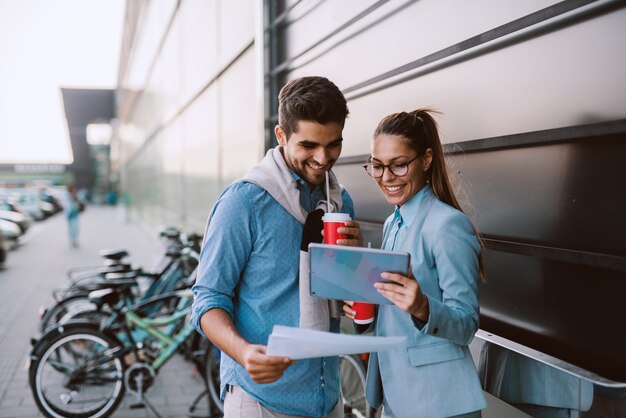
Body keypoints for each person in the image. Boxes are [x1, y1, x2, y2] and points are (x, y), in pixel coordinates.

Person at [191, 76, 362, 418]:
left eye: (333, 145)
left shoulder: (339, 202)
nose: (323, 158)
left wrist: (355, 265)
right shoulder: (244, 203)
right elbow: (207, 299)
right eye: (309, 145)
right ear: (281, 136)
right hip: (261, 402)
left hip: (328, 399)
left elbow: (348, 300)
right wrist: (243, 353)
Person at [344, 108, 487, 418]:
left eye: (398, 165)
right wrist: (360, 299)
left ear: (425, 159)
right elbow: (393, 307)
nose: (385, 177)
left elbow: (466, 325)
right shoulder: (391, 223)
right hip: (396, 397)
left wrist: (423, 307)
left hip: (439, 402)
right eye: (377, 166)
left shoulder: (447, 225)